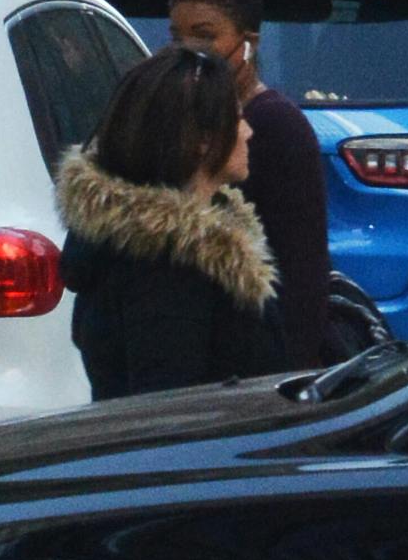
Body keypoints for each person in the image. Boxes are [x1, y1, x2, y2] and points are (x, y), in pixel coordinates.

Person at [54, 42, 292, 399]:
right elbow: (166, 417)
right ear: (203, 140)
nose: (248, 131)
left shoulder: (172, 247)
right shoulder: (169, 267)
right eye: (237, 117)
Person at [162, 0, 337, 360]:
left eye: (205, 37)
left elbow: (302, 268)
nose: (188, 51)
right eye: (177, 36)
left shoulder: (274, 125)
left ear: (248, 44)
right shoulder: (177, 112)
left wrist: (291, 374)